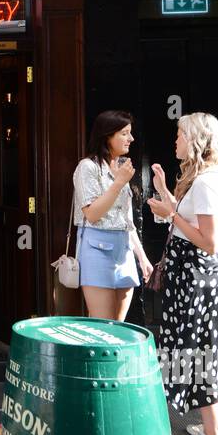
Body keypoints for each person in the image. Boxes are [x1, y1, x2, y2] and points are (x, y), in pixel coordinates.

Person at [148, 112, 218, 435]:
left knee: (197, 349)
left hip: (195, 274)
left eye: (181, 134)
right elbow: (191, 226)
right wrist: (167, 197)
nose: (176, 140)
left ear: (197, 140)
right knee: (208, 347)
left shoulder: (206, 182)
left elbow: (209, 241)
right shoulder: (206, 178)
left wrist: (171, 213)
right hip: (195, 273)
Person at [73, 110, 154, 321]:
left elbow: (126, 221)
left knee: (118, 327)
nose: (131, 138)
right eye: (125, 133)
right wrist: (119, 183)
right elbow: (92, 213)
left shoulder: (120, 167)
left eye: (131, 133)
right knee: (102, 326)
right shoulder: (88, 167)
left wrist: (142, 256)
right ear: (107, 135)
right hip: (96, 247)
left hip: (124, 249)